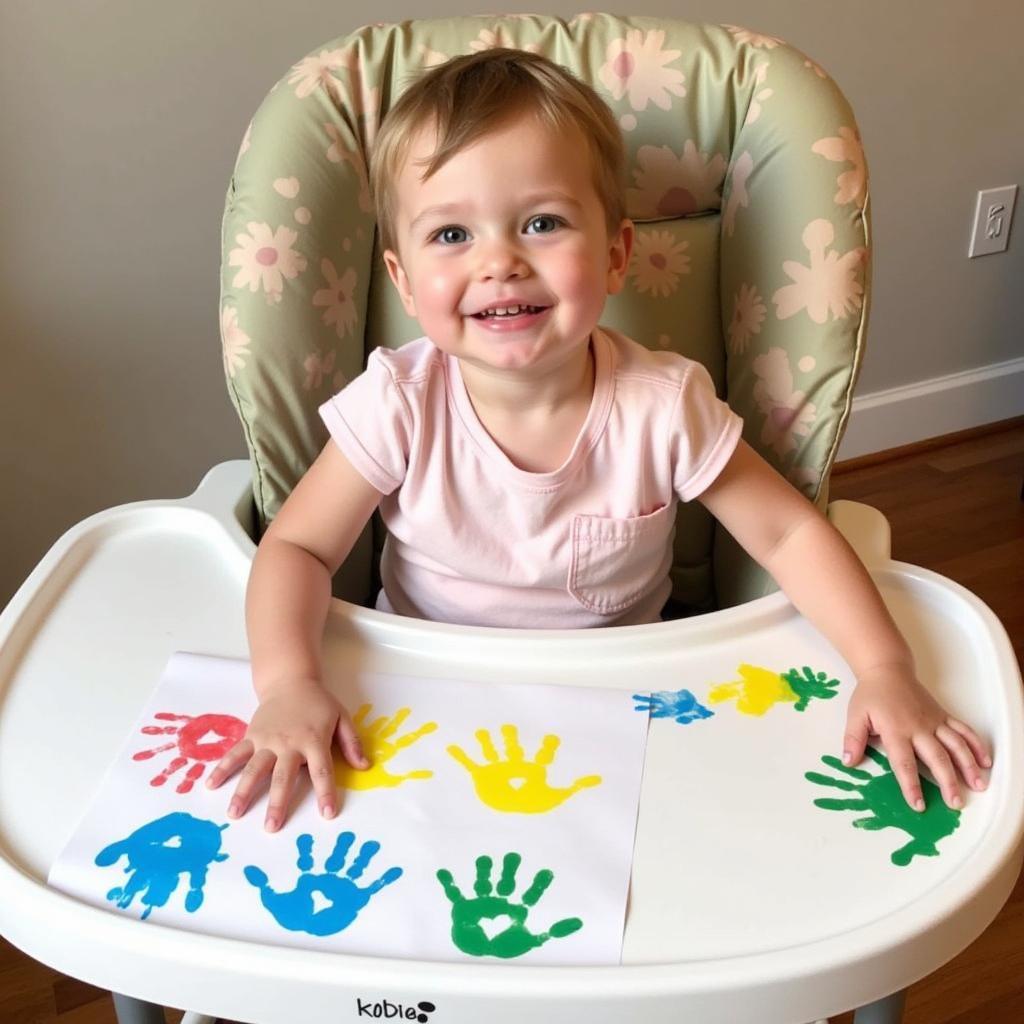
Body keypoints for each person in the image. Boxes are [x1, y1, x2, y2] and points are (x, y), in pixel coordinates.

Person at [207, 48, 990, 832]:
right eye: (450, 233)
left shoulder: (663, 405)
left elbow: (788, 533)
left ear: (616, 255)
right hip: (422, 697)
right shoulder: (400, 403)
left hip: (617, 706)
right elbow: (298, 550)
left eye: (541, 223)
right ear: (403, 281)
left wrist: (885, 668)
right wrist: (287, 683)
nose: (500, 262)